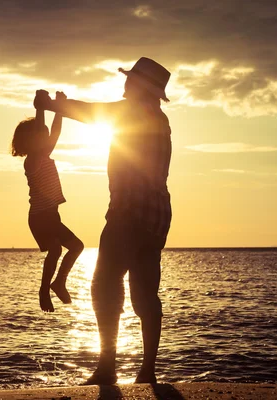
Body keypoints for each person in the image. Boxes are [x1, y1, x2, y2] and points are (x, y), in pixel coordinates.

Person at [34, 57, 172, 384]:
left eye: (130, 79)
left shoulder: (134, 110)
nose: (125, 84)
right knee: (144, 293)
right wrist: (61, 105)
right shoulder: (160, 118)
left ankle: (107, 367)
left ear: (141, 86)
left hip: (130, 209)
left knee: (104, 285)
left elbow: (93, 112)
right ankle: (147, 371)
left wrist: (51, 104)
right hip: (157, 213)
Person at [11, 90, 84, 313]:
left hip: (51, 215)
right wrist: (41, 108)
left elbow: (56, 131)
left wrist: (59, 107)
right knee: (55, 250)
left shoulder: (44, 154)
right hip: (40, 218)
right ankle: (44, 290)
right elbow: (46, 129)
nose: (46, 136)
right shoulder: (33, 160)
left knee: (76, 247)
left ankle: (58, 282)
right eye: (40, 134)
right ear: (32, 140)